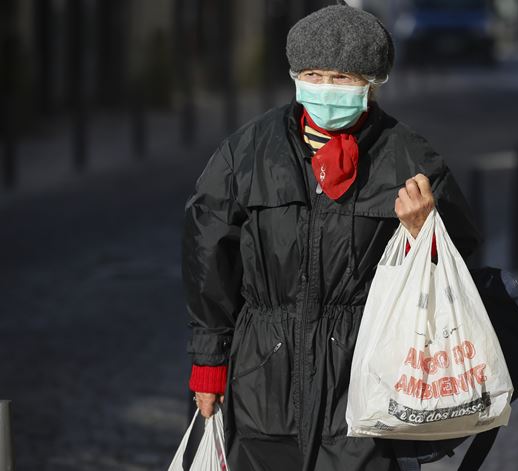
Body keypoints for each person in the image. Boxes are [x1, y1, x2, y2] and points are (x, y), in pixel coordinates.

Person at [182, 3, 480, 470]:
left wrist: (427, 232)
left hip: (366, 388)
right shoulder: (247, 152)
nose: (325, 88)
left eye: (342, 78)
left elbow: (464, 274)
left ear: (372, 82)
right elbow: (208, 254)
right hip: (262, 383)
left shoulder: (409, 159)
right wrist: (208, 360)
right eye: (313, 74)